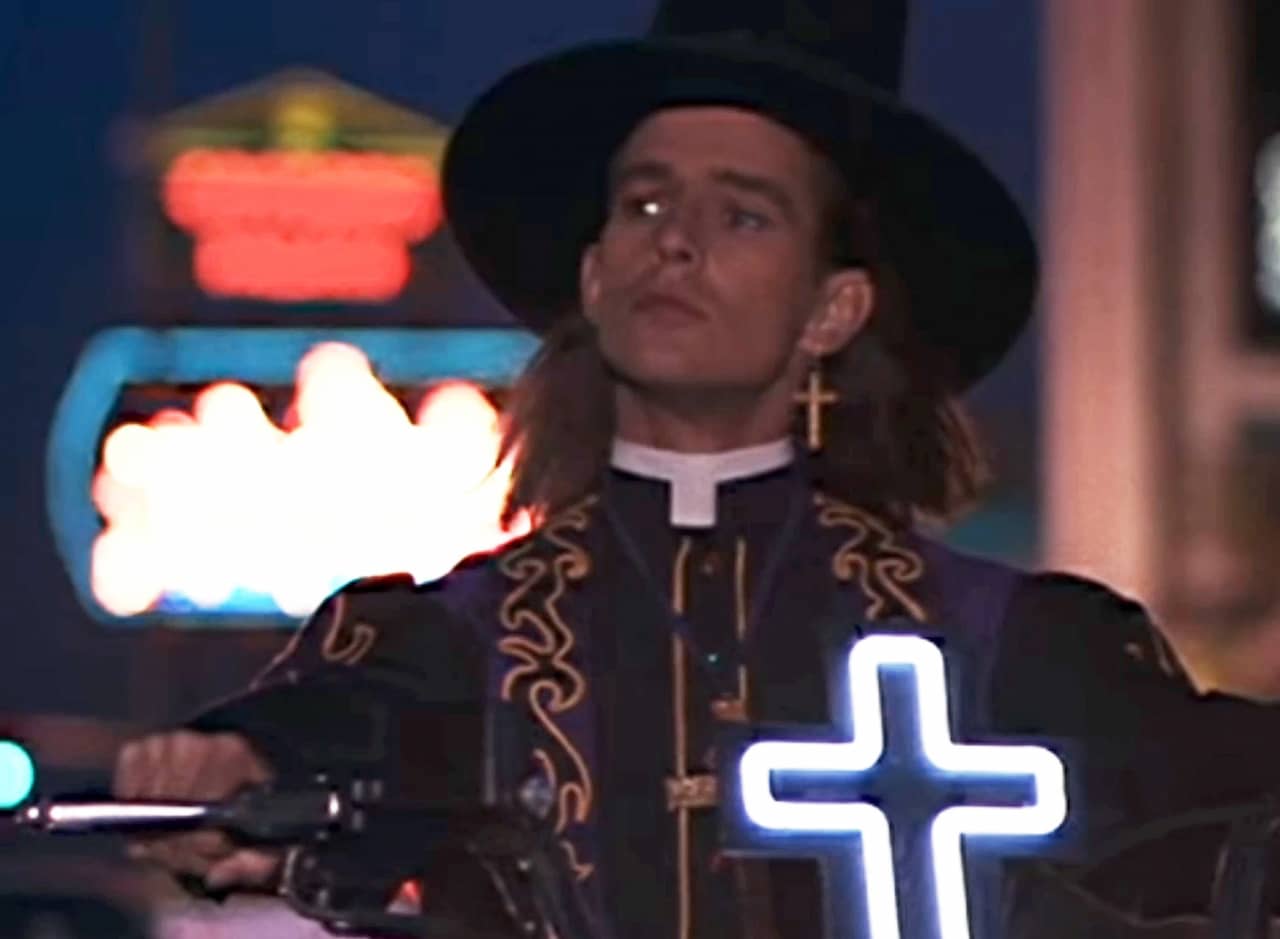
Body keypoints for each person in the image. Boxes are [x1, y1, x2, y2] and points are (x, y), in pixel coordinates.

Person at [112, 1, 1280, 937]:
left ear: (832, 310)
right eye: (644, 202)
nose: (672, 240)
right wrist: (229, 767)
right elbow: (331, 727)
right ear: (592, 278)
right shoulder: (463, 642)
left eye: (742, 216)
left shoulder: (1002, 645)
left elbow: (1217, 786)